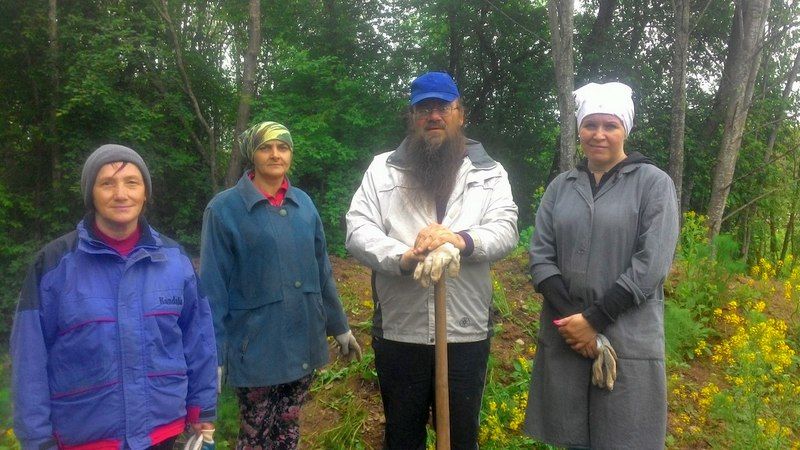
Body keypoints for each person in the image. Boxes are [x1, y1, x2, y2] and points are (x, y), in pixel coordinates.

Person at [346, 71, 519, 450]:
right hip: (400, 330)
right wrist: (402, 257)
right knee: (402, 435)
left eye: (443, 107)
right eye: (424, 108)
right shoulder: (382, 169)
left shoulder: (489, 172)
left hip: (465, 330)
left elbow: (506, 228)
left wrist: (460, 240)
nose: (434, 116)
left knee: (459, 437)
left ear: (461, 113)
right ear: (413, 117)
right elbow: (357, 229)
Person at [11, 144, 217, 449]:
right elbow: (29, 360)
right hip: (84, 438)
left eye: (132, 182)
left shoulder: (174, 260)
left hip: (162, 434)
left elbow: (199, 340)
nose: (121, 194)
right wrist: (37, 439)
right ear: (91, 194)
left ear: (145, 193)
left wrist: (203, 408)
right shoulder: (53, 265)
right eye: (107, 183)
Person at [523, 82, 680, 449]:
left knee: (624, 438)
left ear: (625, 129)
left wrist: (593, 321)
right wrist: (574, 323)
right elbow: (540, 256)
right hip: (568, 337)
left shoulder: (654, 184)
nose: (599, 135)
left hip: (627, 335)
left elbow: (651, 264)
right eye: (590, 125)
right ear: (579, 129)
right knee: (572, 437)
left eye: (610, 125)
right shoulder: (561, 187)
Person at [200, 121, 361, 449]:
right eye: (266, 147)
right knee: (255, 434)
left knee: (289, 428)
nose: (275, 154)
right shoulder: (224, 210)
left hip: (302, 340)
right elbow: (212, 289)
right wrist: (213, 356)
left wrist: (340, 327)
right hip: (255, 347)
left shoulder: (304, 204)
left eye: (283, 147)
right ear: (252, 155)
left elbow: (323, 270)